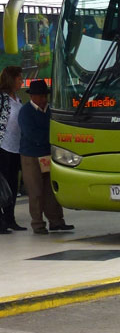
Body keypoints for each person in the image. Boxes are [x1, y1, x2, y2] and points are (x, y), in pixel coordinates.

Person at [18, 79, 74, 235]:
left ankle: (57, 221)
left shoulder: (51, 110)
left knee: (51, 190)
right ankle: (38, 224)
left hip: (49, 154)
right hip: (31, 156)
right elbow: (31, 134)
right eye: (40, 96)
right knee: (35, 191)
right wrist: (52, 137)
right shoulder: (25, 112)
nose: (43, 99)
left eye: (44, 96)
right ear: (32, 97)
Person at [0, 66, 25, 232]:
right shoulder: (2, 99)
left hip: (16, 147)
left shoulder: (18, 99)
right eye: (19, 79)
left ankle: (10, 218)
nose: (21, 81)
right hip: (2, 146)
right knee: (2, 185)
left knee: (12, 184)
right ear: (11, 79)